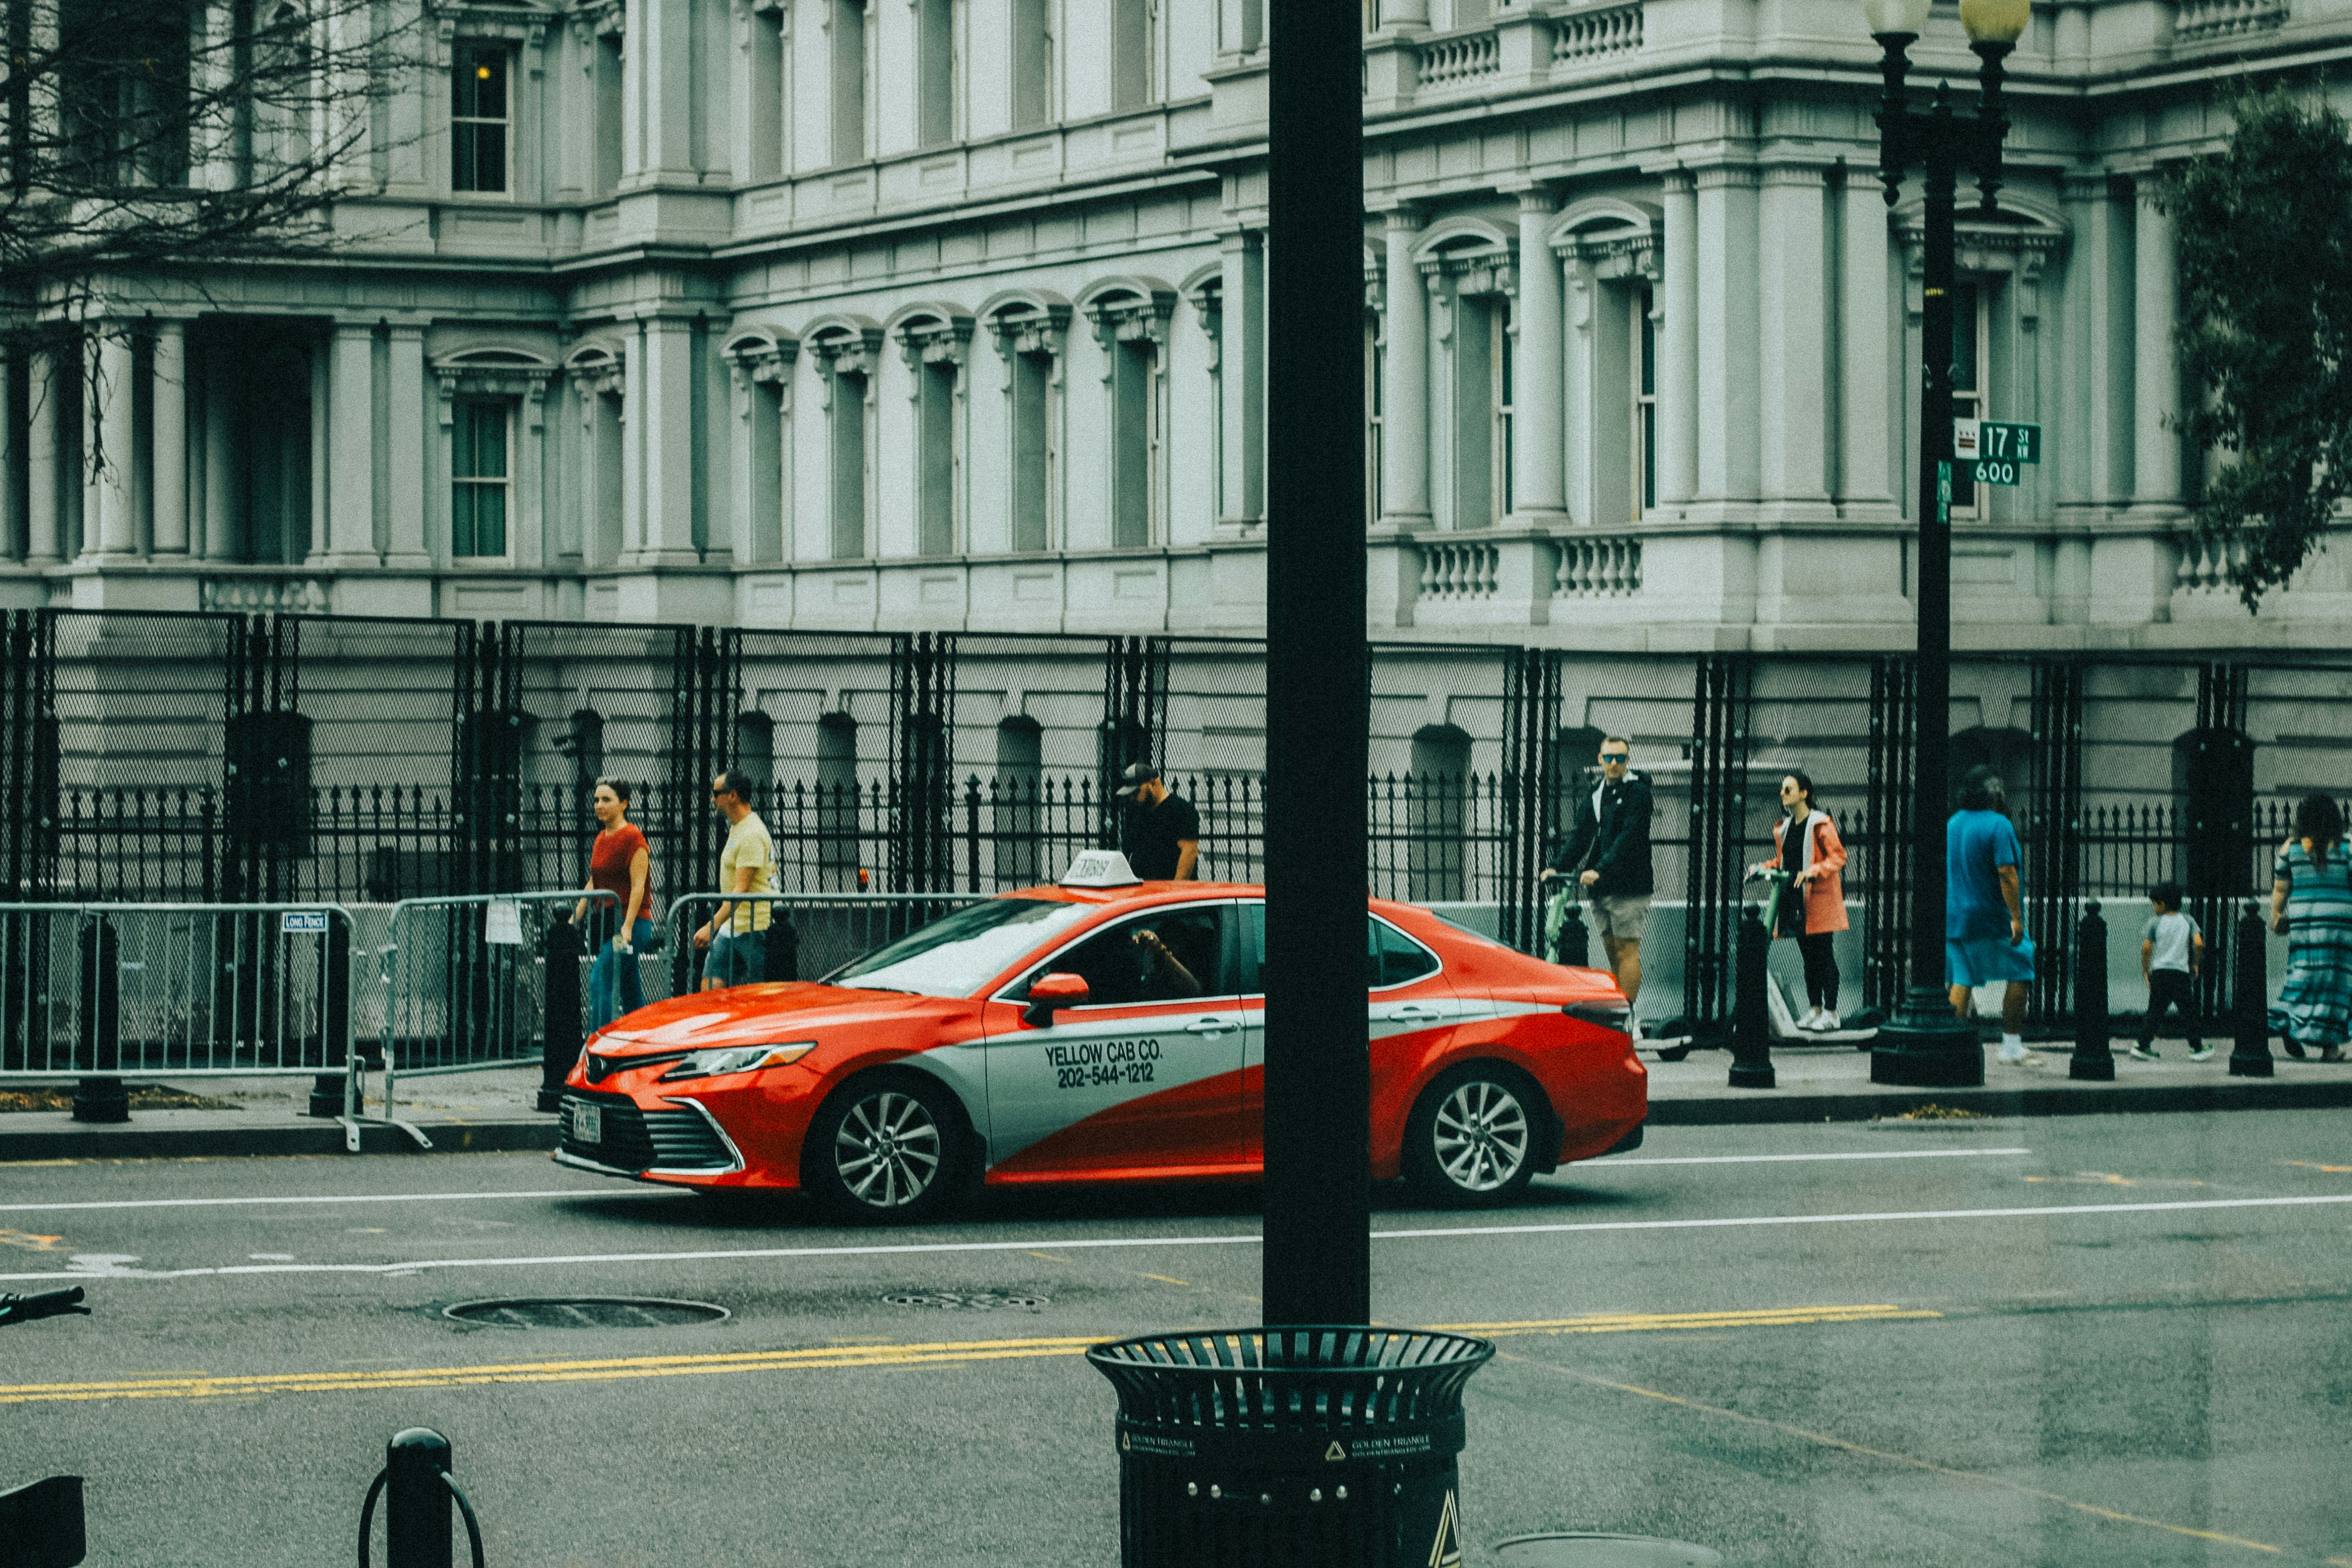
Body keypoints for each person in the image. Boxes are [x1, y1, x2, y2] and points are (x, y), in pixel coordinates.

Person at [1544, 736, 1654, 1028]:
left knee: (1628, 949)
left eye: (1620, 758)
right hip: (1601, 886)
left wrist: (1600, 869)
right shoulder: (1597, 793)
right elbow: (1582, 834)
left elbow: (1628, 838)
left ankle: (1628, 1018)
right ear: (1600, 759)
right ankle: (1619, 1015)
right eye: (1609, 758)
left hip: (1630, 885)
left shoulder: (1639, 793)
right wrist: (1557, 866)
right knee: (1612, 951)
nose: (1614, 764)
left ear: (1628, 760)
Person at [1947, 766, 2036, 1066]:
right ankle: (2011, 1045)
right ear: (1993, 792)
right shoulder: (1999, 825)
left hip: (1956, 915)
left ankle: (1952, 1046)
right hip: (1989, 915)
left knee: (1962, 978)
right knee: (2023, 965)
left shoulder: (1953, 823)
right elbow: (2007, 873)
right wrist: (2016, 918)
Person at [1747, 770, 1848, 1031]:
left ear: (1805, 793)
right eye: (1782, 789)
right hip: (1796, 899)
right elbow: (1784, 862)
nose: (1783, 793)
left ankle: (1832, 1011)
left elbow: (1837, 857)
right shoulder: (1785, 828)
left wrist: (1813, 872)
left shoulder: (1820, 823)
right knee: (1809, 957)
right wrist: (1761, 868)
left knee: (1824, 955)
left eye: (1788, 789)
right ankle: (1815, 1009)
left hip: (1818, 898)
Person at [2269, 793, 2352, 1061]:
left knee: (2302, 974)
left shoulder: (2291, 847)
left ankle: (2288, 1019)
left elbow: (2281, 886)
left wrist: (2276, 914)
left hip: (2304, 923)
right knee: (2334, 984)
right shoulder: (2346, 845)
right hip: (2339, 926)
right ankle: (2329, 1047)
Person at [573, 777, 653, 1032]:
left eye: (607, 800)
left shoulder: (633, 837)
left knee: (601, 977)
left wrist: (627, 927)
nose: (599, 805)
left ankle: (600, 1042)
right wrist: (576, 917)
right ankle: (645, 1041)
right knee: (630, 988)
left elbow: (638, 885)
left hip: (631, 925)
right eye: (596, 800)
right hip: (609, 924)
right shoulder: (600, 838)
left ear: (624, 804)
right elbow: (593, 881)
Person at [693, 769, 776, 991]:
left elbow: (741, 890)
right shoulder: (739, 828)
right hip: (733, 925)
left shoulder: (751, 833)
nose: (712, 799)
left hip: (755, 927)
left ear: (733, 796)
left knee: (761, 999)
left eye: (716, 793)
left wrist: (712, 926)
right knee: (710, 989)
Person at [2137, 880, 2208, 1063]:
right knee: (2188, 1012)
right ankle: (2197, 1048)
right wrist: (2196, 964)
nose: (2153, 908)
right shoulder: (2188, 920)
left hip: (2160, 973)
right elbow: (2199, 944)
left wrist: (2146, 970)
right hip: (2180, 973)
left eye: (2154, 903)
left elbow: (2146, 948)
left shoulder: (2155, 922)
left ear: (2162, 903)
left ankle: (2142, 1045)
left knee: (2155, 1011)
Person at [1118, 763, 1200, 881]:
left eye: (1136, 792)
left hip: (1167, 892)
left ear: (1153, 782)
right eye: (1129, 795)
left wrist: (1176, 891)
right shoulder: (1139, 814)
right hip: (1143, 891)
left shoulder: (1181, 810)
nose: (1132, 798)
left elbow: (1189, 853)